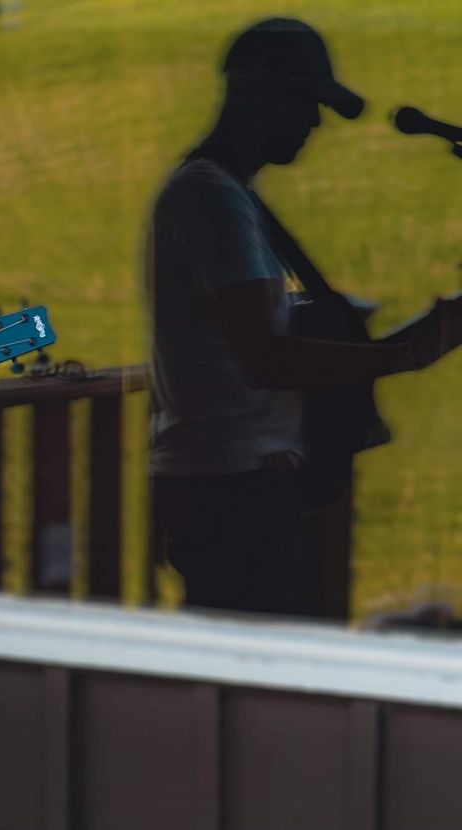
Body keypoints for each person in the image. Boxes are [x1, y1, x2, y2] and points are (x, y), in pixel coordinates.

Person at [146, 18, 461, 617]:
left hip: (243, 489)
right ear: (256, 92)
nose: (315, 124)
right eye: (305, 103)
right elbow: (266, 357)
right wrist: (411, 350)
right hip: (234, 494)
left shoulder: (227, 196)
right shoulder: (210, 199)